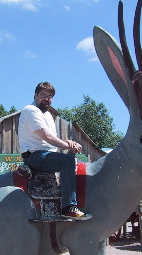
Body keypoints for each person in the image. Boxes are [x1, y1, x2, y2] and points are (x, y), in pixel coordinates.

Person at [18, 82, 91, 220]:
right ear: (35, 95)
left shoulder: (48, 115)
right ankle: (69, 207)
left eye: (50, 96)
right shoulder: (31, 110)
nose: (46, 98)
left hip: (46, 154)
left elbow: (52, 140)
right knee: (67, 161)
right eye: (43, 95)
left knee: (78, 164)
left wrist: (67, 142)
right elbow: (47, 137)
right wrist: (67, 146)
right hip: (34, 156)